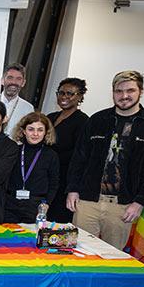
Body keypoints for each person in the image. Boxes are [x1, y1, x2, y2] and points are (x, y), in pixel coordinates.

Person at [67, 71, 144, 287]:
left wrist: (140, 201)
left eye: (130, 91)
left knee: (114, 257)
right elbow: (79, 158)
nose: (124, 96)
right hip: (88, 199)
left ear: (140, 91)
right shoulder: (97, 121)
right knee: (79, 253)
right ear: (113, 92)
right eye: (119, 91)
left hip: (123, 205)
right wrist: (72, 189)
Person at [4, 113, 59, 223]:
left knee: (30, 239)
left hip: (36, 207)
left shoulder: (51, 155)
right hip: (10, 205)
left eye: (40, 130)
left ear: (46, 132)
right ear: (23, 131)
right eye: (31, 129)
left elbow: (54, 183)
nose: (35, 134)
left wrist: (46, 203)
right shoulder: (14, 151)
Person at [47, 77, 89, 223]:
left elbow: (79, 155)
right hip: (45, 178)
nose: (64, 97)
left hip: (65, 181)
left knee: (57, 223)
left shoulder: (83, 121)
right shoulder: (50, 118)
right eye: (61, 93)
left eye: (70, 94)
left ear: (80, 96)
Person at [0, 63, 35, 135]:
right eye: (10, 78)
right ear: (2, 80)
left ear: (23, 83)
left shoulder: (28, 108)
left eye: (18, 79)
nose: (14, 82)